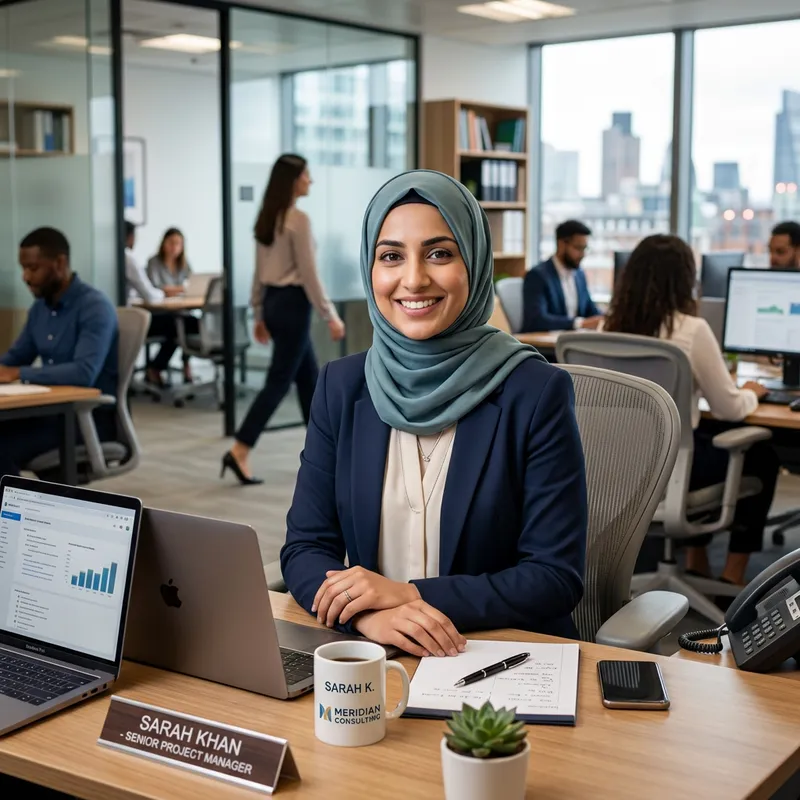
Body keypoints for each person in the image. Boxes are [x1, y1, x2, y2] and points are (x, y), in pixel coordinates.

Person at [280, 170, 587, 657]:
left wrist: (408, 595)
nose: (413, 279)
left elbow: (553, 578)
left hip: (496, 656)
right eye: (391, 256)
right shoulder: (341, 386)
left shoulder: (535, 392)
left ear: (474, 262)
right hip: (376, 657)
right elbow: (305, 549)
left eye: (440, 254)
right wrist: (370, 617)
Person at [604, 233, 780, 588]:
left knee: (701, 436)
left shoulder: (610, 328)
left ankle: (697, 562)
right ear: (685, 280)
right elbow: (729, 409)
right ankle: (732, 577)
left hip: (618, 470)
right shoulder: (691, 329)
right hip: (673, 471)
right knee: (762, 454)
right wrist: (750, 393)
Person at [221, 154, 345, 485]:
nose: (310, 180)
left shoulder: (269, 218)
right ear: (293, 180)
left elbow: (259, 273)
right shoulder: (298, 220)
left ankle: (324, 456)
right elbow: (309, 274)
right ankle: (240, 448)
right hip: (293, 305)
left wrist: (259, 312)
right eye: (306, 175)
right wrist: (330, 315)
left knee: (309, 382)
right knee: (279, 382)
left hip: (274, 304)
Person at [0, 227, 118, 477]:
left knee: (2, 447)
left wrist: (18, 373)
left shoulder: (94, 307)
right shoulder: (39, 310)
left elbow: (83, 373)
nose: (25, 277)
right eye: (23, 268)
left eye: (33, 268)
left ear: (60, 263)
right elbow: (13, 360)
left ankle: (16, 503)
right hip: (49, 413)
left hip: (87, 420)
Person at [124, 221, 181, 387]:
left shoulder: (112, 255)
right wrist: (165, 293)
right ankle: (155, 368)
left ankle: (157, 368)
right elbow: (150, 295)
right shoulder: (128, 258)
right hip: (131, 319)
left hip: (122, 317)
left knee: (181, 320)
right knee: (178, 324)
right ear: (130, 237)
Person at [522, 220, 602, 332]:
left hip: (574, 338)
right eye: (578, 248)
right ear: (561, 244)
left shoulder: (579, 274)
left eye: (585, 248)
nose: (583, 254)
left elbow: (590, 309)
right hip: (546, 340)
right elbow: (537, 320)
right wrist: (580, 323)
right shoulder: (537, 276)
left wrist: (606, 318)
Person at [146, 228, 195, 385]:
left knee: (193, 323)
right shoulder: (154, 263)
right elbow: (156, 289)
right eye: (171, 243)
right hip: (158, 315)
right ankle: (156, 367)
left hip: (179, 312)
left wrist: (174, 290)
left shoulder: (184, 265)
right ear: (164, 243)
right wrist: (179, 289)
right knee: (177, 327)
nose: (174, 247)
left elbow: (191, 286)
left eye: (178, 244)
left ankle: (185, 364)